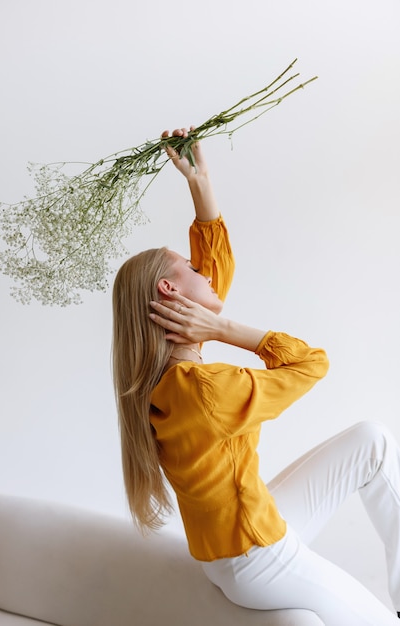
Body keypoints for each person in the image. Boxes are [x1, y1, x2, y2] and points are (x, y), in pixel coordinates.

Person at [112, 128, 400, 625]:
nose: (204, 272)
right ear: (169, 290)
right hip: (261, 559)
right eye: (189, 268)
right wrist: (225, 327)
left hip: (234, 547)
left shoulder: (169, 379)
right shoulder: (205, 390)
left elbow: (212, 278)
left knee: (371, 441)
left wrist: (201, 188)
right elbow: (312, 363)